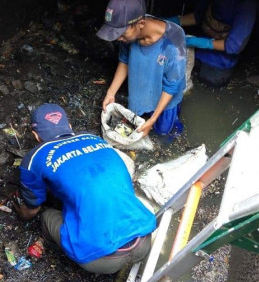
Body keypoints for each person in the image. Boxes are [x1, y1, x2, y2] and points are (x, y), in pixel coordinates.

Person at [15, 103, 155, 275]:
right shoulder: (95, 139)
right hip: (144, 238)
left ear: (35, 135)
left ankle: (53, 247)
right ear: (70, 127)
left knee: (46, 216)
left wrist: (21, 214)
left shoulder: (35, 156)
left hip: (101, 260)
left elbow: (32, 209)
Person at [96, 0, 187, 137]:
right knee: (135, 121)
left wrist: (153, 119)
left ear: (141, 24)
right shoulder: (130, 32)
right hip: (141, 89)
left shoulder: (173, 41)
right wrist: (110, 92)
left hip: (166, 97)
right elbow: (124, 61)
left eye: (121, 33)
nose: (118, 38)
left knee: (164, 132)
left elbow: (172, 85)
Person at [165, 0, 257, 87]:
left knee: (206, 87)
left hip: (218, 63)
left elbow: (234, 46)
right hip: (199, 53)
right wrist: (171, 21)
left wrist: (198, 42)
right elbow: (199, 16)